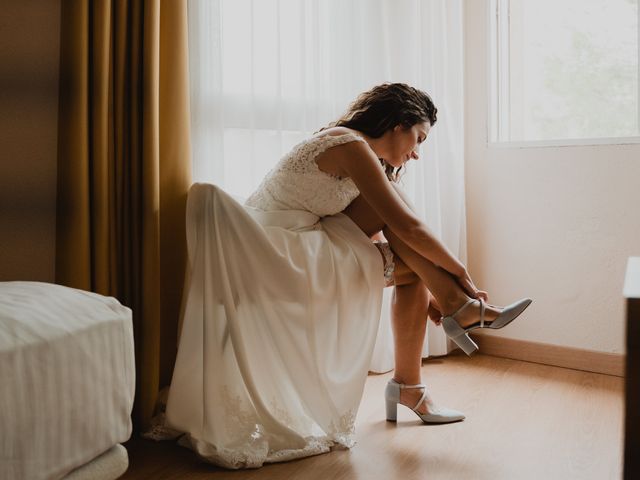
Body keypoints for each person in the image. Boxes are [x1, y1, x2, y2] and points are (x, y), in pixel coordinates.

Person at [164, 83, 531, 469]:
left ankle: (449, 320)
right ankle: (443, 335)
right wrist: (464, 275)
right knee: (404, 231)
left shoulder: (358, 152)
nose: (417, 153)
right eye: (418, 138)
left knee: (409, 257)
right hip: (272, 252)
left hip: (297, 241)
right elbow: (407, 228)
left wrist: (440, 280)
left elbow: (384, 233)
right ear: (397, 123)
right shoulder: (349, 145)